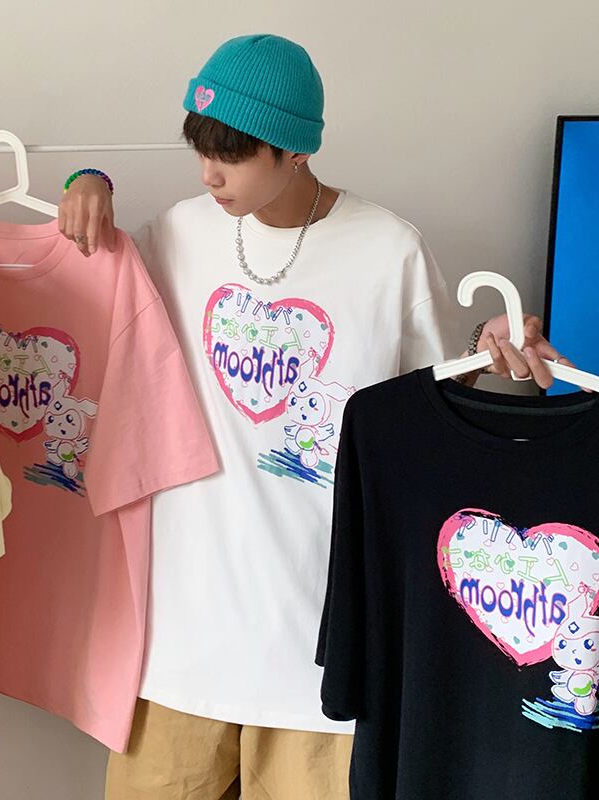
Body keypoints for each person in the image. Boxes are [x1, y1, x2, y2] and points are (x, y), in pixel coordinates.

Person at [58, 33, 573, 800]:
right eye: (201, 149)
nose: (209, 174)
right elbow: (90, 280)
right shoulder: (175, 235)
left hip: (318, 654)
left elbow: (426, 399)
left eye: (233, 155)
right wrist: (86, 179)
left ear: (296, 151)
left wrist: (483, 347)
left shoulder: (388, 252)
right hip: (180, 649)